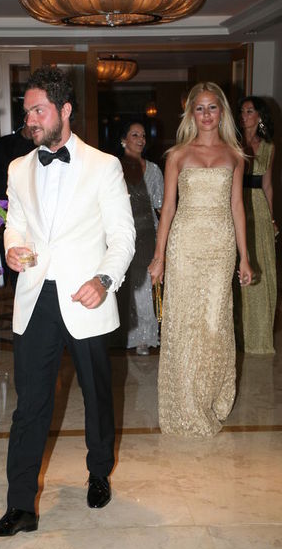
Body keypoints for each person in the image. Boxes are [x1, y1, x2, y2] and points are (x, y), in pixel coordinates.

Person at [0, 66, 135, 537]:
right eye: (27, 111)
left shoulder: (104, 165)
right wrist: (12, 247)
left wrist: (104, 280)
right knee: (30, 403)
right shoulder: (18, 167)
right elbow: (16, 225)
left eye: (38, 110)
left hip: (86, 297)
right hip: (36, 298)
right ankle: (20, 506)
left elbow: (123, 237)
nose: (29, 120)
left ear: (65, 110)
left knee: (96, 395)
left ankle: (98, 472)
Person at [148, 82, 253, 437]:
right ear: (191, 113)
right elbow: (168, 209)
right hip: (185, 245)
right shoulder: (178, 155)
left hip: (221, 246)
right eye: (200, 108)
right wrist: (159, 256)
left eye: (212, 107)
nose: (206, 114)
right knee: (184, 322)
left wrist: (244, 257)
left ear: (222, 112)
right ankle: (186, 404)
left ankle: (209, 398)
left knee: (214, 323)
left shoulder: (235, 155)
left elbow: (237, 207)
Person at [114, 121, 163, 355]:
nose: (141, 139)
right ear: (124, 140)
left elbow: (162, 206)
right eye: (135, 135)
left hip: (147, 234)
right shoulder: (112, 167)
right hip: (120, 233)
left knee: (142, 287)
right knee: (122, 284)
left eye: (143, 135)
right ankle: (122, 334)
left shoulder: (153, 170)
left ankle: (144, 336)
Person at [233, 96, 277, 354]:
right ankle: (237, 335)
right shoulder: (232, 142)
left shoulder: (268, 147)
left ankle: (258, 336)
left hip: (258, 207)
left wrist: (271, 218)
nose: (244, 115)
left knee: (261, 264)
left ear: (259, 116)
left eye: (249, 111)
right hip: (236, 204)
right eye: (242, 111)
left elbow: (268, 185)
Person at [0, 125, 36, 290]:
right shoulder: (4, 145)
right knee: (17, 267)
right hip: (10, 212)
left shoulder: (45, 147)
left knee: (31, 271)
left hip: (36, 218)